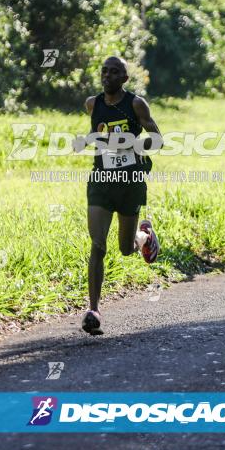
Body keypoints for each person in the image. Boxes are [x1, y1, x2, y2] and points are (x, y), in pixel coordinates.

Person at [76, 56, 160, 335]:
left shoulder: (136, 104)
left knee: (125, 249)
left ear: (124, 78)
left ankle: (145, 236)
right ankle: (94, 310)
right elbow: (93, 134)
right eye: (105, 71)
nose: (108, 75)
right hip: (101, 180)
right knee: (97, 245)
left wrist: (132, 143)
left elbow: (157, 138)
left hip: (130, 182)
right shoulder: (93, 104)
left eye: (115, 72)